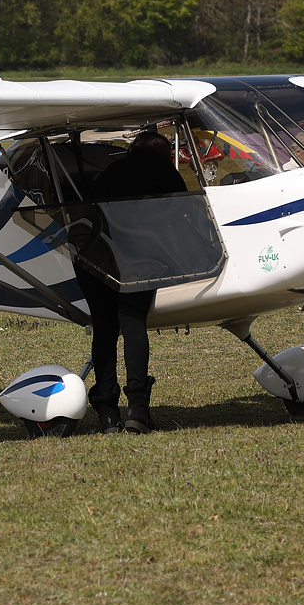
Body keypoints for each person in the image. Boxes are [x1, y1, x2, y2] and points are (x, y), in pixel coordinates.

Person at [77, 131, 186, 434]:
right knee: (132, 321)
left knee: (105, 327)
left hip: (92, 255)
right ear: (163, 153)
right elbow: (183, 214)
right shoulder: (164, 170)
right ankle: (137, 410)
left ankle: (108, 414)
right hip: (137, 255)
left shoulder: (112, 170)